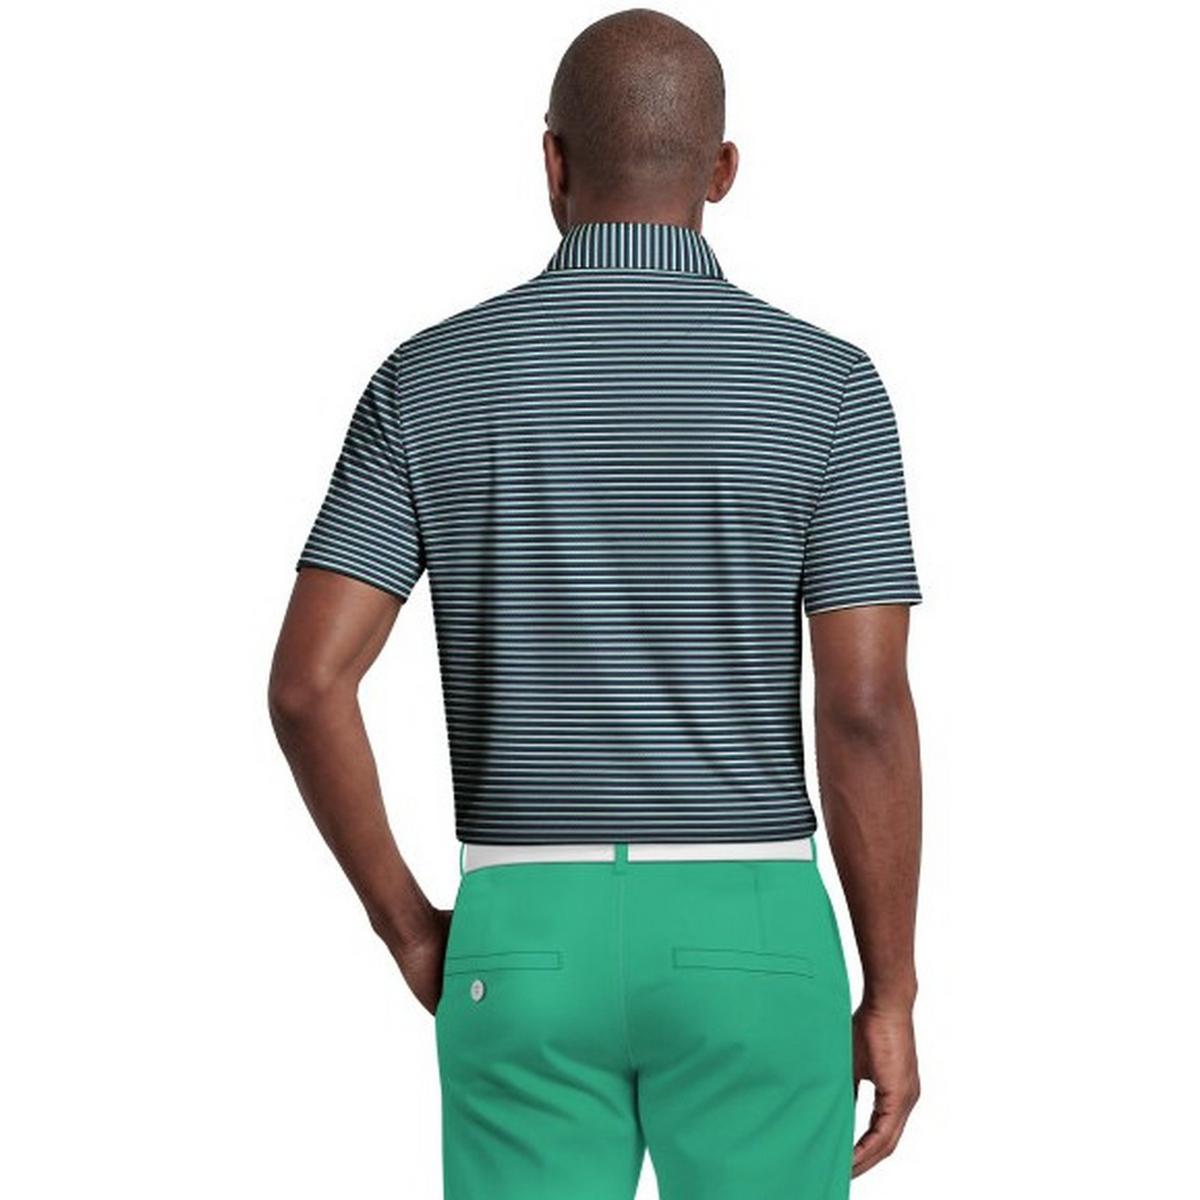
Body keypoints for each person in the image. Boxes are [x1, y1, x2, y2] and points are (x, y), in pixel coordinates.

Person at [268, 8, 923, 1198]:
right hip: (756, 934)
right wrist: (892, 990)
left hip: (522, 931)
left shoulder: (430, 378)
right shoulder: (826, 386)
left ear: (553, 161)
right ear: (723, 170)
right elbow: (865, 710)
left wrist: (408, 926)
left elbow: (311, 685)